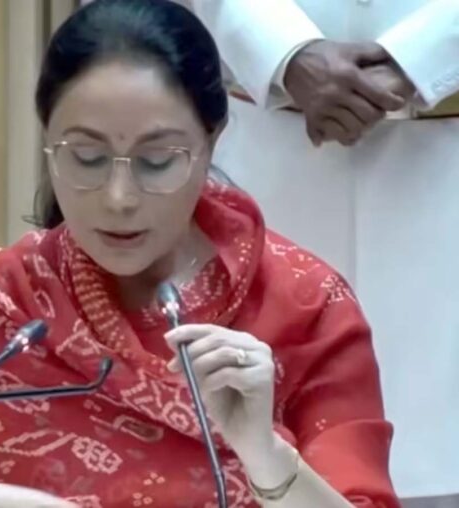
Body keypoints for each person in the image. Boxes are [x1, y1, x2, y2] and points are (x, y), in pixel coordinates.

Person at [0, 1, 399, 507]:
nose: (119, 198)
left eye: (157, 161)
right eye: (87, 157)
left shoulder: (307, 306)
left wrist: (267, 456)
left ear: (212, 140)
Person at [190, 1, 459, 505]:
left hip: (444, 159)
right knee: (249, 448)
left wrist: (420, 58)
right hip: (268, 138)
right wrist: (286, 51)